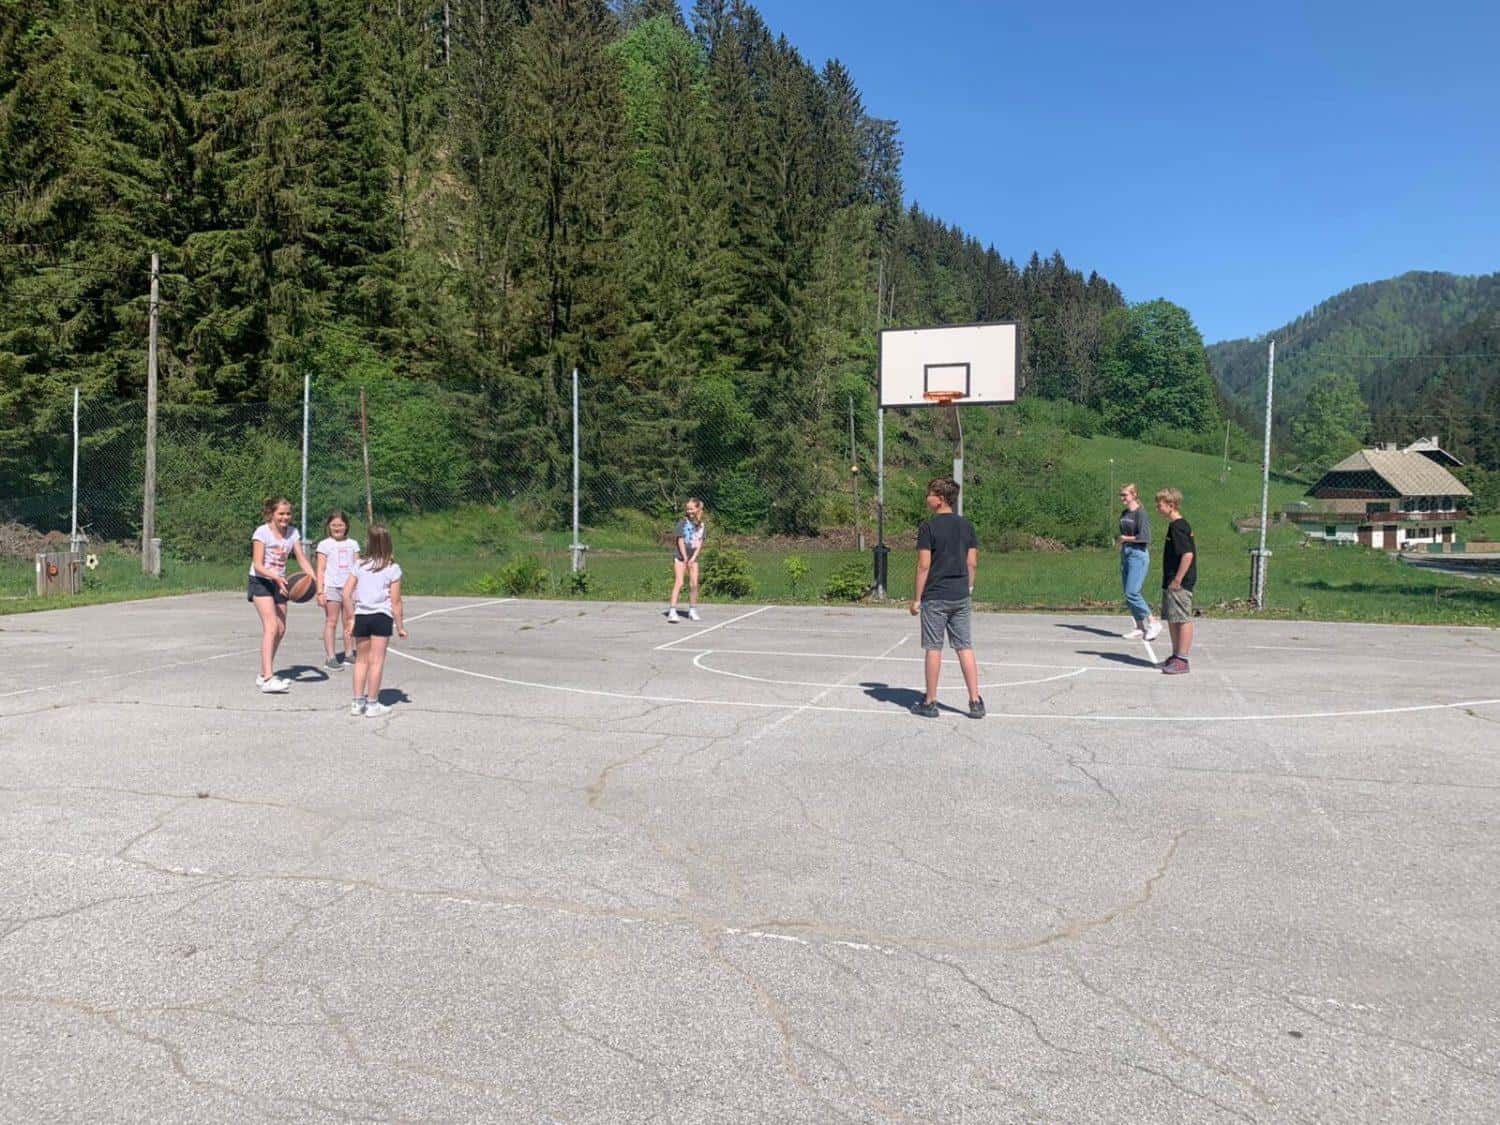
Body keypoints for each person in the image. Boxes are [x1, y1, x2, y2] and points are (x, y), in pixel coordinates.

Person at [909, 477, 983, 718]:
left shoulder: (928, 528)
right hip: (960, 595)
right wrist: (968, 587)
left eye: (929, 494)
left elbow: (924, 566)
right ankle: (975, 701)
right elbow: (972, 562)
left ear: (940, 499)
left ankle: (930, 701)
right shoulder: (966, 526)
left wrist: (917, 599)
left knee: (933, 648)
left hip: (936, 596)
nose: (926, 498)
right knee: (964, 646)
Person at [248, 496, 314, 694]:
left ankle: (262, 674)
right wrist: (276, 577)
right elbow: (258, 564)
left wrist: (315, 579)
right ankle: (269, 678)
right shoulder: (262, 532)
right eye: (281, 514)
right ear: (272, 514)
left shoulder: (293, 533)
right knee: (271, 626)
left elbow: (301, 558)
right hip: (261, 580)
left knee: (281, 628)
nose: (285, 517)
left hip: (280, 581)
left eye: (288, 513)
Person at [343, 524, 406, 717]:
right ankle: (372, 704)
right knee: (376, 662)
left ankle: (357, 702)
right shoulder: (392, 568)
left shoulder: (359, 565)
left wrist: (351, 618)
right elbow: (395, 601)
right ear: (388, 543)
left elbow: (346, 594)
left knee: (361, 661)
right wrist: (400, 626)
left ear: (368, 542)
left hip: (362, 616)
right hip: (381, 616)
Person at [1154, 487, 1198, 675]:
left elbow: (1187, 555)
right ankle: (1175, 655)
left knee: (1182, 618)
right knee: (1173, 618)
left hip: (1179, 582)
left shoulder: (1178, 526)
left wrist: (1178, 579)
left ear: (1171, 505)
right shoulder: (1174, 526)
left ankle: (1182, 659)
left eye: (1160, 505)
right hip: (1171, 580)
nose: (1157, 508)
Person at [315, 510, 360, 671]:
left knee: (349, 621)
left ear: (346, 526)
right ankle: (331, 658)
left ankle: (349, 654)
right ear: (329, 526)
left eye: (340, 525)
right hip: (332, 587)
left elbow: (357, 568)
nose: (337, 528)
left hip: (349, 588)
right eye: (333, 525)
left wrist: (358, 588)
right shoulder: (324, 545)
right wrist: (320, 591)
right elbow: (320, 569)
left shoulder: (353, 544)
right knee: (331, 621)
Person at [1117, 483, 1162, 641]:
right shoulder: (1124, 513)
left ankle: (1153, 621)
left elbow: (1145, 537)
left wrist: (1125, 538)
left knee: (1132, 592)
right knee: (1127, 593)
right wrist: (1122, 543)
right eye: (1121, 495)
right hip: (1126, 553)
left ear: (1134, 495)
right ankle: (1139, 627)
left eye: (1125, 495)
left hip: (1138, 554)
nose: (1122, 498)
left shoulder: (1141, 513)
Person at [666, 498, 706, 624]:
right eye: (687, 509)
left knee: (694, 584)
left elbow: (700, 543)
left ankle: (692, 610)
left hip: (693, 558)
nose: (689, 511)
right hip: (680, 557)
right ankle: (672, 612)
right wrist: (684, 557)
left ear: (698, 509)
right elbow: (680, 540)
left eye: (691, 509)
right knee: (680, 582)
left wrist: (693, 558)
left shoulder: (701, 525)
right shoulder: (682, 523)